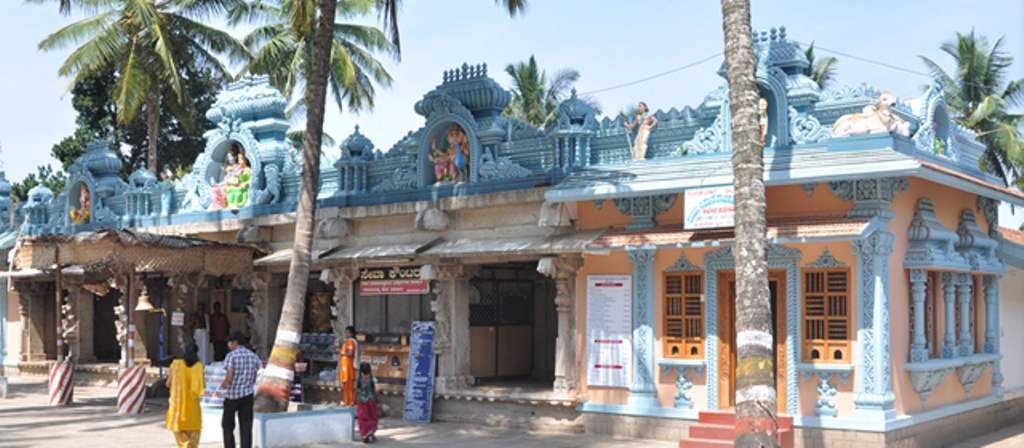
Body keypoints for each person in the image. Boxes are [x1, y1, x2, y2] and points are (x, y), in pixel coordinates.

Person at [220, 332, 261, 448]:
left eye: (230, 343)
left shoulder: (231, 356)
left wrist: (224, 384)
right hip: (247, 395)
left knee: (228, 425)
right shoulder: (253, 356)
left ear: (235, 342)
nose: (229, 345)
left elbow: (229, 377)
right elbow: (254, 377)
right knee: (246, 426)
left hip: (232, 395)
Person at [166, 343, 204, 448]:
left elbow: (168, 383)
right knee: (194, 430)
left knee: (178, 430)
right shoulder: (199, 367)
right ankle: (191, 444)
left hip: (178, 407)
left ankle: (185, 444)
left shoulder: (176, 364)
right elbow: (202, 385)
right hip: (193, 407)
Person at [355, 362, 380, 443]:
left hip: (362, 401)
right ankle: (371, 432)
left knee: (363, 418)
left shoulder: (359, 380)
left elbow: (355, 390)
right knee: (372, 417)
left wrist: (354, 399)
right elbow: (377, 390)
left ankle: (364, 435)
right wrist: (372, 394)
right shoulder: (373, 379)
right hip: (371, 400)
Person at [338, 326, 358, 406]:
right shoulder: (347, 342)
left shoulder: (351, 342)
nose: (346, 334)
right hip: (345, 367)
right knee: (346, 386)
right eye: (346, 332)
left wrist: (342, 353)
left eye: (348, 333)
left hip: (348, 368)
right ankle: (347, 401)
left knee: (349, 386)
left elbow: (350, 353)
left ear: (351, 334)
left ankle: (350, 402)